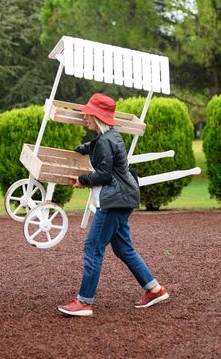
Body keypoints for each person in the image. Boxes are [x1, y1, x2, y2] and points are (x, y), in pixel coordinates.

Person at [57, 93, 169, 317]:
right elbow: (99, 145)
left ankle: (84, 302)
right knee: (123, 248)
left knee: (92, 247)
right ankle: (155, 290)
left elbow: (104, 175)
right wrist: (84, 148)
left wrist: (82, 180)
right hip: (123, 198)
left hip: (114, 201)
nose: (85, 118)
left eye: (89, 114)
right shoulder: (109, 136)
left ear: (98, 117)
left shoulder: (106, 140)